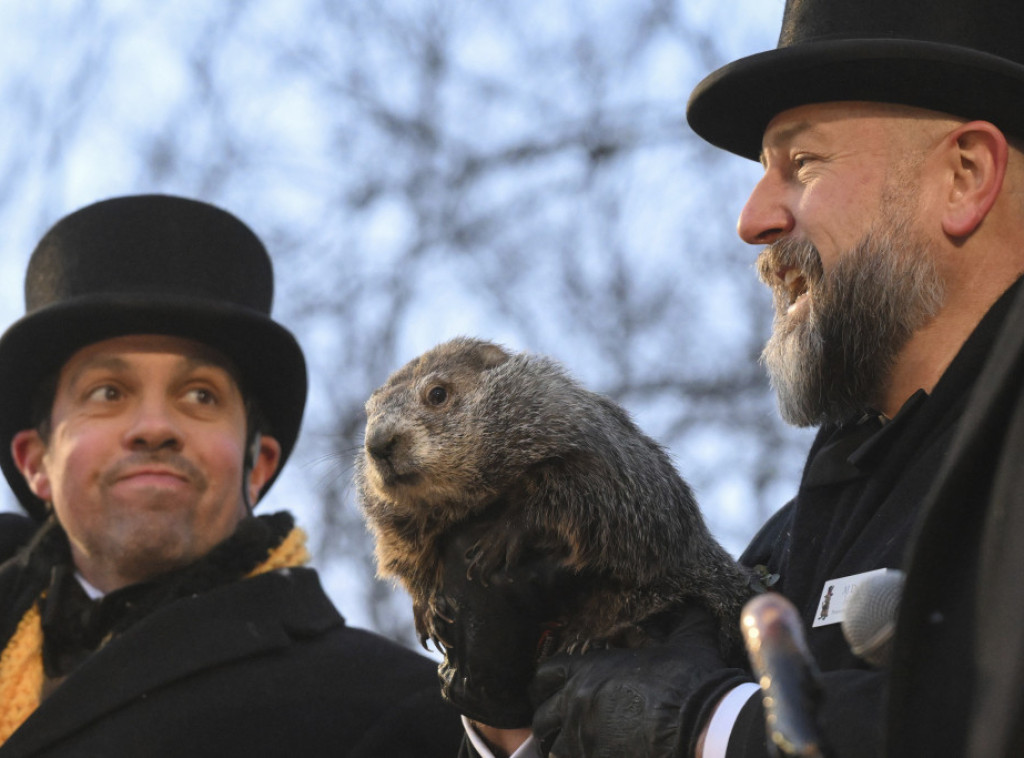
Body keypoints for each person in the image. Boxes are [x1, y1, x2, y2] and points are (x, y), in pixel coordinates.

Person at [455, 0, 1024, 755]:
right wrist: (514, 715)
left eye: (802, 163)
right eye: (764, 170)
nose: (751, 219)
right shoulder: (789, 541)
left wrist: (712, 729)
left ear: (964, 175)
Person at [0, 194, 464, 757]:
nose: (153, 427)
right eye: (107, 392)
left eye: (200, 395)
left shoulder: (400, 709)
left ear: (258, 465)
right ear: (33, 463)